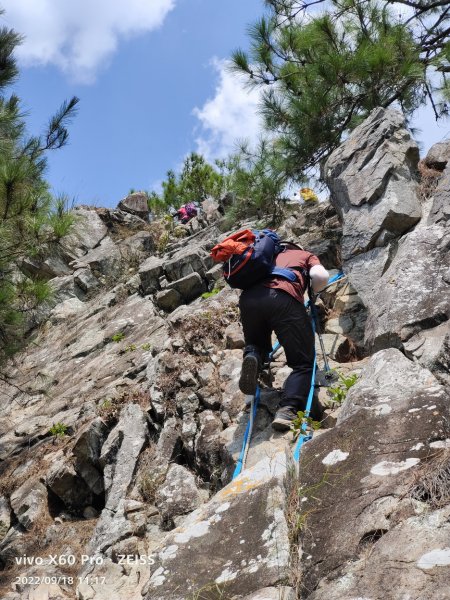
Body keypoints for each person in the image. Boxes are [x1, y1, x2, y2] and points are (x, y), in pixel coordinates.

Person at [238, 243, 329, 431]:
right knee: (304, 362)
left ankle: (253, 356)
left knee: (255, 345)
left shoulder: (265, 257)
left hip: (248, 300)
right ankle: (288, 408)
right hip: (283, 297)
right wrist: (313, 292)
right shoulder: (305, 254)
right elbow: (320, 276)